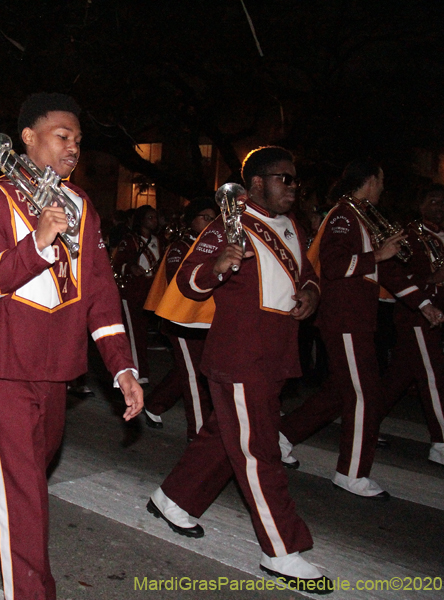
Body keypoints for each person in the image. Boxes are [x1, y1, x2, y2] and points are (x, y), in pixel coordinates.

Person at [0, 93, 143, 599]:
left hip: (57, 367)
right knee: (24, 494)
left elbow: (101, 294)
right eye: (63, 137)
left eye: (78, 141)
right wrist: (36, 245)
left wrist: (122, 367)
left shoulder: (81, 205)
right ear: (28, 139)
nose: (73, 148)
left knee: (22, 472)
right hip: (0, 366)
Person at [146, 147, 330, 591]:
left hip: (277, 354)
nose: (292, 187)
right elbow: (187, 281)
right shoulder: (227, 225)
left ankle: (173, 499)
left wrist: (310, 293)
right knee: (257, 450)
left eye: (294, 180)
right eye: (283, 179)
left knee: (225, 437)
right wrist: (217, 266)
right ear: (257, 184)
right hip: (239, 356)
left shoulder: (295, 226)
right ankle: (282, 549)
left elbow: (308, 274)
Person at [280, 160, 444, 498]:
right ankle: (351, 473)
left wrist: (423, 304)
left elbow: (386, 273)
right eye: (381, 180)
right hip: (344, 319)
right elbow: (336, 265)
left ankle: (279, 437)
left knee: (340, 392)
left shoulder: (363, 216)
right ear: (369, 180)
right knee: (365, 394)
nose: (383, 187)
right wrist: (379, 256)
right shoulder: (343, 215)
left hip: (357, 319)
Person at [377, 184, 444, 466]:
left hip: (440, 318)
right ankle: (443, 443)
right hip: (417, 316)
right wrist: (431, 280)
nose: (440, 207)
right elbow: (395, 276)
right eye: (433, 201)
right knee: (435, 378)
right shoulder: (409, 235)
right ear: (420, 205)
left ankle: (364, 422)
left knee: (398, 378)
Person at [143, 197, 218, 439]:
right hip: (180, 320)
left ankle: (154, 404)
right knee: (194, 375)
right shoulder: (180, 247)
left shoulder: (212, 245)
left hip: (204, 319)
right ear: (190, 221)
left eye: (213, 218)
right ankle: (198, 432)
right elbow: (181, 282)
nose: (210, 222)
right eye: (204, 217)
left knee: (191, 369)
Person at [110, 204, 160, 384]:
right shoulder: (130, 240)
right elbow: (117, 264)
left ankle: (141, 370)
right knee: (134, 332)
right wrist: (130, 267)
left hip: (150, 290)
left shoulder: (158, 239)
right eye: (149, 218)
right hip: (132, 290)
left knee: (143, 333)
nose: (153, 221)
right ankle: (138, 373)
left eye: (155, 217)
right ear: (141, 220)